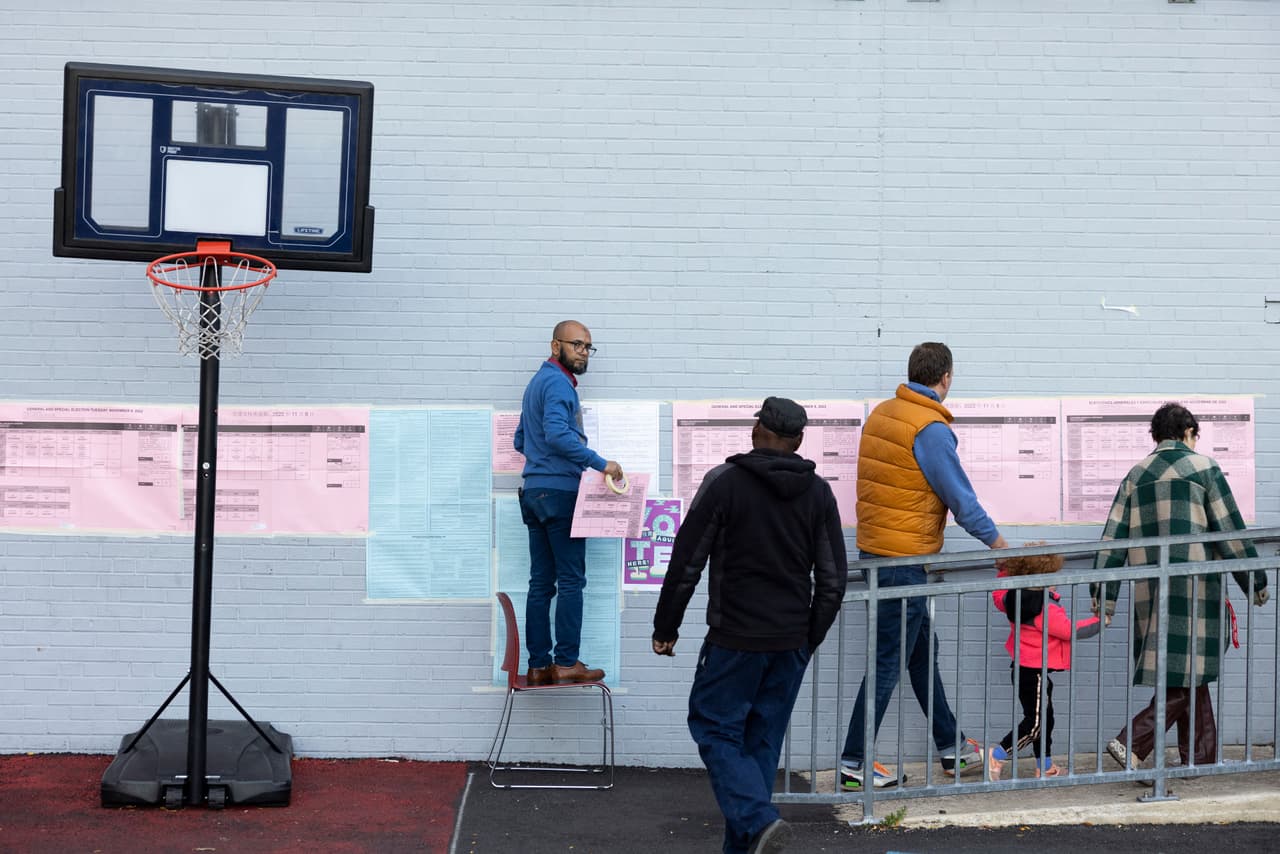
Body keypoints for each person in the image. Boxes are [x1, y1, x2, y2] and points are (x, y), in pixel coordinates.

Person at [652, 397, 847, 854]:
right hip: (789, 642)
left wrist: (666, 627)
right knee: (760, 745)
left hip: (734, 640)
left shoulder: (724, 483)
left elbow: (687, 562)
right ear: (798, 440)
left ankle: (759, 821)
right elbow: (832, 581)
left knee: (714, 728)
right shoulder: (818, 493)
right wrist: (807, 639)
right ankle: (755, 836)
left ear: (757, 430)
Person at [840, 342, 1009, 790]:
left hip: (879, 554)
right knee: (887, 661)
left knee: (920, 655)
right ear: (945, 377)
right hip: (904, 561)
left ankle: (952, 748)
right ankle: (853, 764)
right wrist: (999, 545)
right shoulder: (929, 427)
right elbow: (960, 499)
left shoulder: (882, 415)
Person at [1093, 402, 1269, 770]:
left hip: (1152, 593)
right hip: (1197, 591)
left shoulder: (1135, 475)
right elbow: (1230, 531)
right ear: (1188, 432)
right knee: (1189, 671)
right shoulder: (1204, 468)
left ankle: (1199, 760)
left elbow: (1112, 541)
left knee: (1187, 672)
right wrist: (1255, 580)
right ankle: (1132, 741)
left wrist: (1104, 598)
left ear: (1156, 436)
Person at [514, 320, 623, 686]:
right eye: (576, 344)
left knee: (541, 583)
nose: (583, 352)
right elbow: (558, 435)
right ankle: (565, 663)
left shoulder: (536, 383)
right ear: (555, 345)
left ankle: (538, 665)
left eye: (587, 347)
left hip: (533, 494)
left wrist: (543, 462)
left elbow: (520, 440)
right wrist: (601, 464)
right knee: (572, 580)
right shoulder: (559, 384)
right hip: (560, 495)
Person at [987, 544, 1101, 780]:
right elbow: (1069, 631)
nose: (1056, 580)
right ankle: (997, 754)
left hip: (1024, 669)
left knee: (1044, 720)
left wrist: (1005, 571)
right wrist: (1101, 621)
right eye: (1052, 574)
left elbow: (998, 595)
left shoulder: (1012, 597)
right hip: (1035, 672)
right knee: (1036, 724)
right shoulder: (1045, 607)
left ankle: (1045, 766)